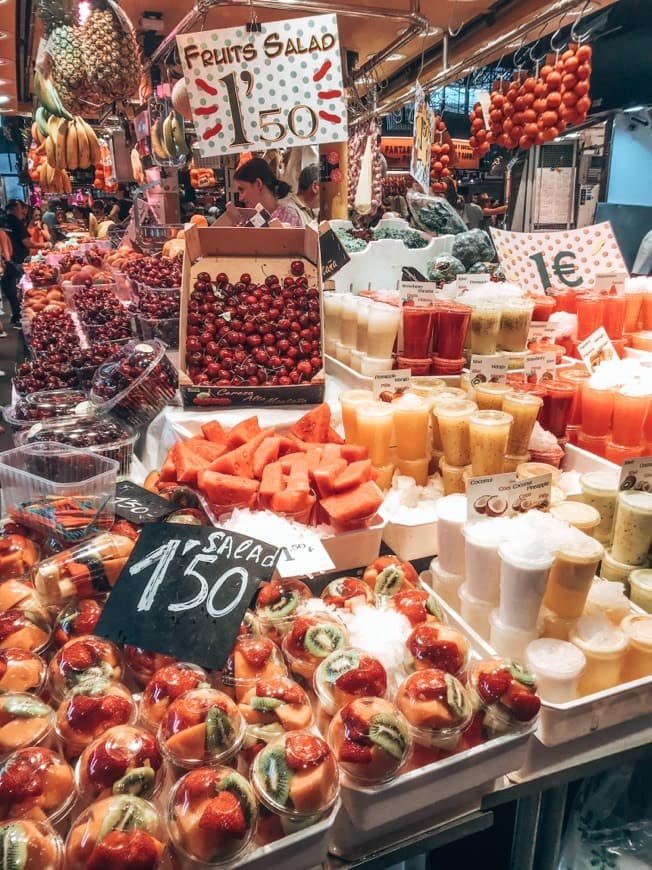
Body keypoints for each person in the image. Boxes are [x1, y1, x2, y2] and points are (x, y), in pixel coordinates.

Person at [2, 200, 45, 327]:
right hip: (16, 261)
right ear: (16, 207)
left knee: (8, 286)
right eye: (23, 208)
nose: (24, 212)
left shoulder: (3, 219)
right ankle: (21, 316)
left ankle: (17, 314)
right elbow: (27, 243)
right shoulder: (16, 222)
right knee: (20, 288)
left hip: (7, 260)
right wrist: (43, 245)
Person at [233, 158, 303, 227]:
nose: (240, 198)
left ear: (258, 184)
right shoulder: (250, 219)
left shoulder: (288, 217)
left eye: (242, 190)